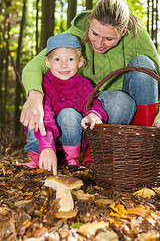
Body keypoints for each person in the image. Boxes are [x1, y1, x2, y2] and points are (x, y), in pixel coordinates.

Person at [20, 0, 160, 163]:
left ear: (123, 32)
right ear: (90, 20)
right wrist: (35, 95)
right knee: (116, 101)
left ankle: (145, 152)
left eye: (109, 38)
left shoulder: (137, 34)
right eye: (95, 33)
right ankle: (92, 151)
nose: (99, 43)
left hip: (121, 109)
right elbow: (34, 65)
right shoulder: (78, 33)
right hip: (85, 107)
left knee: (142, 65)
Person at [20, 33, 107, 175]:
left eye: (71, 59)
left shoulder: (84, 85)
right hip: (43, 142)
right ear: (47, 62)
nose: (64, 65)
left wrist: (93, 114)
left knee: (69, 113)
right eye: (57, 59)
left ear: (80, 62)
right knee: (36, 117)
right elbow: (45, 117)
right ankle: (40, 159)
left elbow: (94, 104)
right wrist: (47, 147)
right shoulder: (44, 84)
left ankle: (71, 160)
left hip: (70, 142)